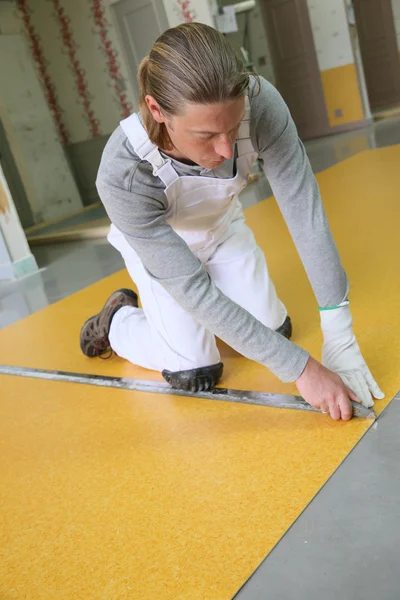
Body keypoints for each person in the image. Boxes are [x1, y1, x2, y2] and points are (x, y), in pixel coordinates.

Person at [80, 22, 384, 421]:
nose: (225, 149)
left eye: (232, 126)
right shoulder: (124, 172)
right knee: (195, 369)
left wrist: (339, 330)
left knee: (276, 334)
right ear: (157, 110)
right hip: (163, 257)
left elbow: (304, 213)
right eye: (206, 135)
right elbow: (191, 288)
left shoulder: (262, 105)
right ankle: (117, 320)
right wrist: (303, 370)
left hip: (221, 228)